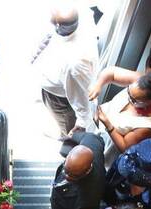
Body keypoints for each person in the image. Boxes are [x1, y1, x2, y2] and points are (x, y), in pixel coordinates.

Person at [33, 6, 97, 148]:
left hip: (59, 99)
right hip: (54, 83)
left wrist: (81, 123)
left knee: (67, 126)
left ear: (58, 26)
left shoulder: (75, 63)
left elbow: (80, 94)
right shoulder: (81, 16)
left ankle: (65, 138)